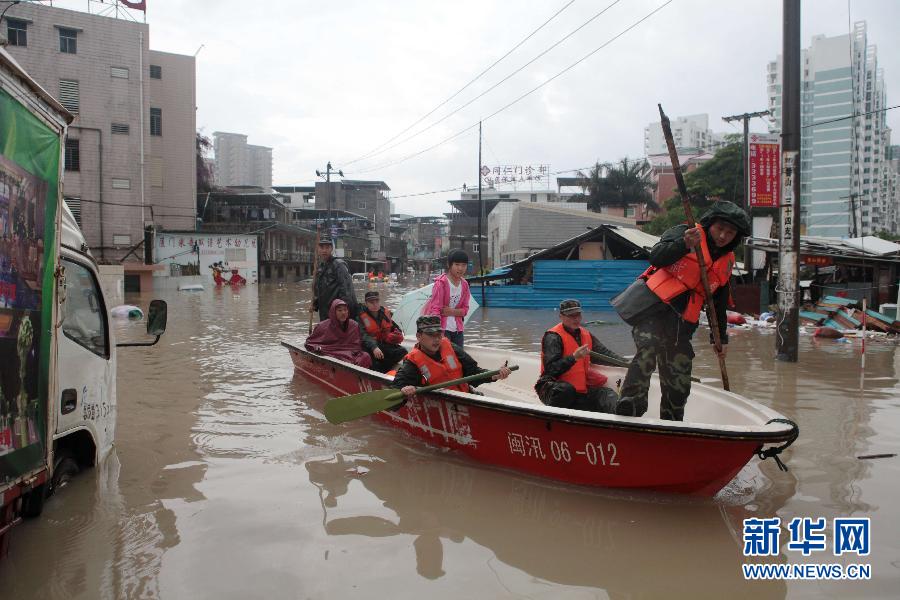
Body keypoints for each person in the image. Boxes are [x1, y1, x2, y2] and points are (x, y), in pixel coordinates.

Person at [612, 201, 751, 421]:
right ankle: (629, 409)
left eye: (730, 232)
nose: (723, 236)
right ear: (710, 224)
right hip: (654, 311)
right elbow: (656, 256)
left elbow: (719, 304)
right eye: (720, 229)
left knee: (679, 380)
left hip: (682, 325)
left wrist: (720, 338)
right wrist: (684, 244)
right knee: (648, 350)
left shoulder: (727, 261)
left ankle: (673, 422)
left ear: (737, 236)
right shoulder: (685, 232)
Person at [535, 299, 625, 413]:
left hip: (579, 391)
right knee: (566, 390)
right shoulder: (553, 337)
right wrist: (573, 358)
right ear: (561, 316)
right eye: (571, 315)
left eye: (578, 315)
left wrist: (628, 364)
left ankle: (620, 415)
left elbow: (605, 354)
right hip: (553, 390)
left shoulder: (586, 334)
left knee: (607, 394)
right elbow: (551, 370)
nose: (576, 319)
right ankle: (554, 420)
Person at [392, 316, 510, 397]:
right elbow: (397, 386)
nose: (437, 339)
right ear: (418, 336)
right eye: (431, 335)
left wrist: (494, 375)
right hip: (443, 401)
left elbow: (473, 372)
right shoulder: (413, 361)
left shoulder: (450, 346)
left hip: (466, 395)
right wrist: (404, 389)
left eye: (439, 334)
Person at [305, 298, 372, 368]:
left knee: (365, 356)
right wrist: (317, 348)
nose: (343, 313)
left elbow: (356, 346)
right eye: (339, 310)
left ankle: (358, 375)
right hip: (331, 354)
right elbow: (309, 343)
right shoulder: (322, 326)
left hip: (349, 354)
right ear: (333, 312)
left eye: (345, 310)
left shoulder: (354, 325)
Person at [422, 249, 470, 347]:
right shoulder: (441, 284)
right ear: (449, 265)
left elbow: (465, 310)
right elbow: (436, 309)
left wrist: (450, 311)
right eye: (457, 264)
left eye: (464, 265)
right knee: (446, 357)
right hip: (443, 330)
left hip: (458, 330)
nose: (460, 268)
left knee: (458, 358)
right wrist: (437, 332)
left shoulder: (465, 285)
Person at [357, 290, 407, 373]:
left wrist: (398, 335)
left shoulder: (386, 313)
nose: (375, 304)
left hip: (383, 344)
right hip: (369, 347)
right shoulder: (361, 316)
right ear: (366, 303)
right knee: (374, 364)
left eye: (376, 301)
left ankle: (384, 367)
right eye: (371, 302)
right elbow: (363, 335)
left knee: (403, 351)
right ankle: (381, 370)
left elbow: (394, 327)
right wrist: (374, 347)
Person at [310, 238, 358, 322]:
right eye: (322, 247)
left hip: (338, 312)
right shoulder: (320, 267)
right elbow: (319, 290)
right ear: (318, 249)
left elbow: (346, 290)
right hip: (325, 312)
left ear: (331, 249)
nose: (324, 250)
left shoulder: (338, 265)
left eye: (327, 247)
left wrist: (345, 312)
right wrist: (315, 304)